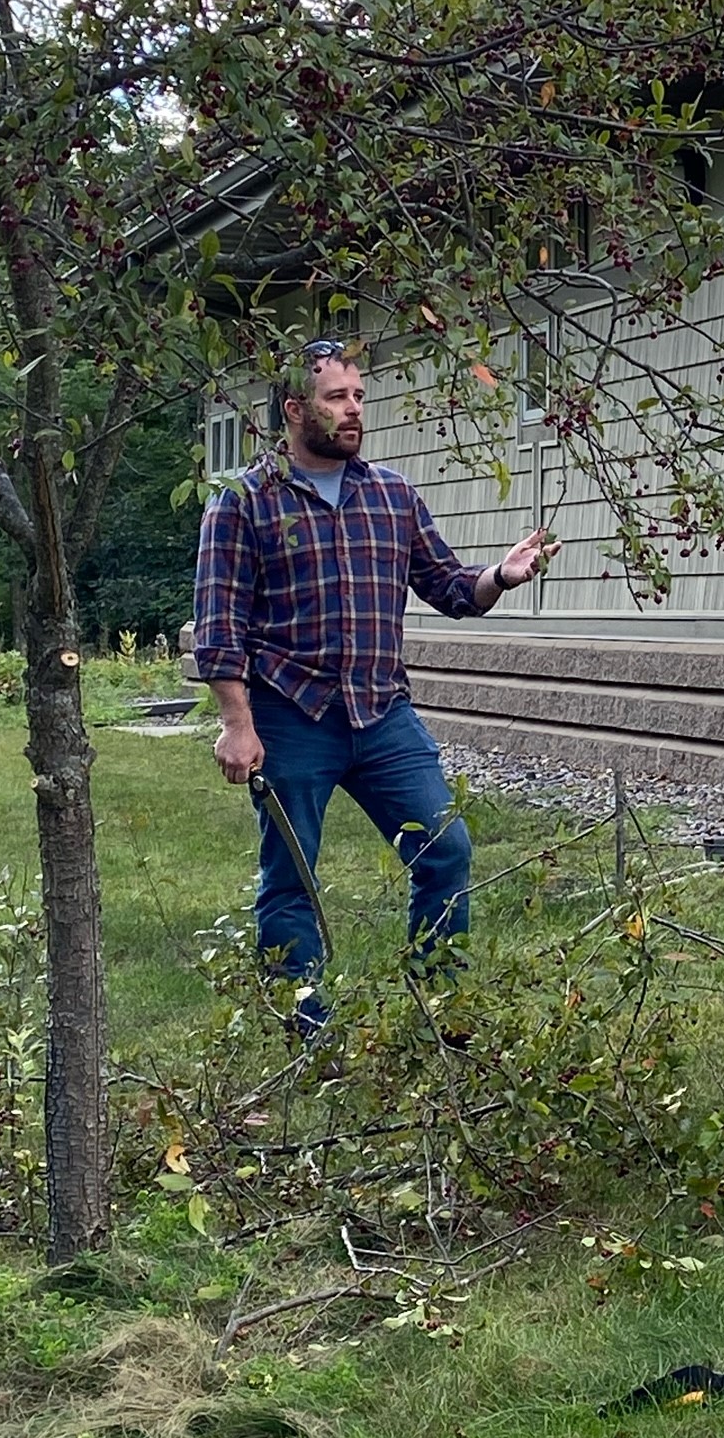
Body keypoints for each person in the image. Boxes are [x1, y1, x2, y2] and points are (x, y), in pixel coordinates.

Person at [192, 338, 560, 1033]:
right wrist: (237, 724)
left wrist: (500, 576)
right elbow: (219, 624)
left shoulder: (392, 496)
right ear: (295, 409)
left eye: (359, 396)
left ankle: (438, 1012)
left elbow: (449, 587)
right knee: (292, 877)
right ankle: (306, 1031)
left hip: (382, 712)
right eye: (337, 398)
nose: (354, 409)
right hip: (292, 714)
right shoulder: (244, 502)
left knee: (445, 848)